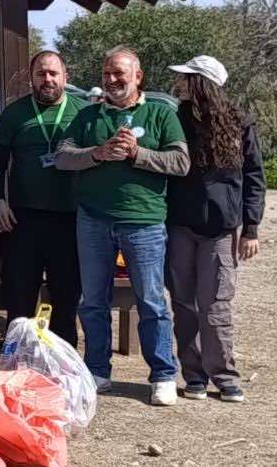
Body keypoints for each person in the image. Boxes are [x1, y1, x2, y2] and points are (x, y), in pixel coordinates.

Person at [56, 47, 189, 405]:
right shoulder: (87, 117)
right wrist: (97, 153)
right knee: (93, 301)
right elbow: (62, 158)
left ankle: (162, 374)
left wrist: (137, 154)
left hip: (144, 222)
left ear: (138, 77)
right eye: (106, 75)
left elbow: (181, 162)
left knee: (151, 301)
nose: (112, 80)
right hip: (93, 220)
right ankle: (98, 370)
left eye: (120, 74)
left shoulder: (161, 113)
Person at [166, 55, 264, 403]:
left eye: (187, 78)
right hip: (179, 224)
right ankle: (193, 375)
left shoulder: (239, 122)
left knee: (216, 304)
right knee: (184, 303)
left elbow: (254, 177)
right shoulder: (176, 118)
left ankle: (224, 375)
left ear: (202, 83)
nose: (180, 84)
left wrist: (251, 227)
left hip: (221, 229)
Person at [0, 51, 81, 345]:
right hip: (23, 217)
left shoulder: (83, 111)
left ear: (65, 76)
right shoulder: (15, 113)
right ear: (31, 78)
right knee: (20, 292)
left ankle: (62, 357)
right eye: (41, 74)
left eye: (53, 73)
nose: (48, 79)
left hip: (70, 217)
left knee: (66, 293)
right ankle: (18, 355)